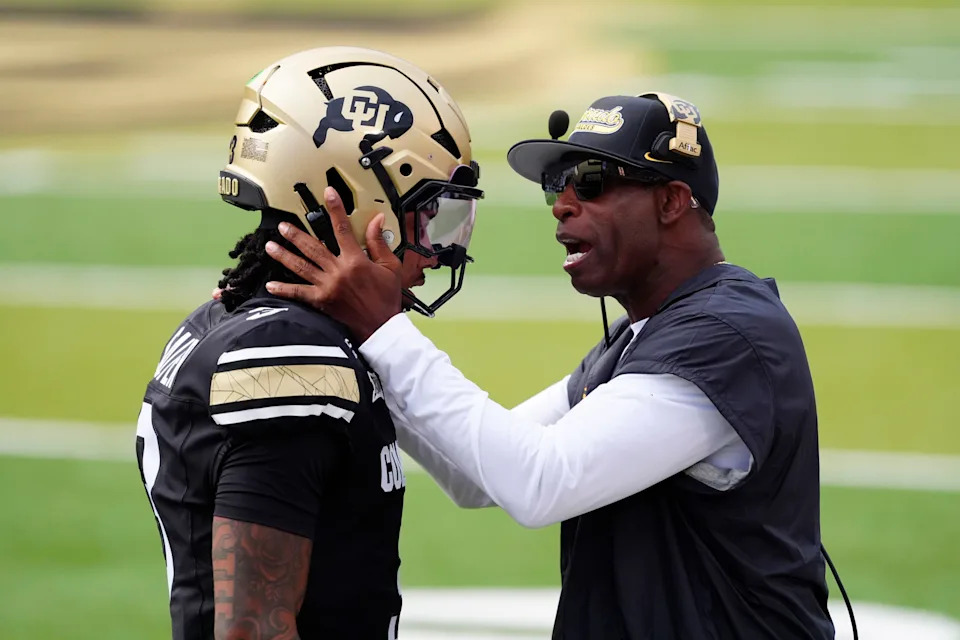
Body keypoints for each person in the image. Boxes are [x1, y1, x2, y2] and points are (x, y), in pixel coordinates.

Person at [264, 93, 836, 639]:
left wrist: (385, 329)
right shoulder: (647, 335)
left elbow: (540, 481)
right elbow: (472, 477)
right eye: (555, 187)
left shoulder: (722, 335)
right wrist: (348, 335)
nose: (562, 204)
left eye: (590, 183)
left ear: (671, 201)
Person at [134, 46, 483, 640]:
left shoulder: (225, 317)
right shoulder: (291, 355)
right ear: (357, 201)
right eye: (430, 215)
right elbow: (254, 630)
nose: (436, 252)